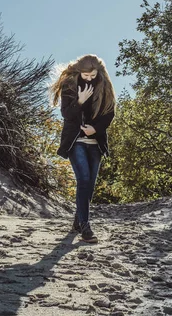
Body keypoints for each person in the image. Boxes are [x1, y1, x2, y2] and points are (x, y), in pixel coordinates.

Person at [49, 54, 116, 243]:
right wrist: (80, 101)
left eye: (92, 75)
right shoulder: (69, 85)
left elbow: (109, 113)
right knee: (83, 179)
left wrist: (95, 129)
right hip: (75, 141)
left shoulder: (104, 85)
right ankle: (86, 228)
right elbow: (66, 114)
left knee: (90, 186)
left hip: (96, 142)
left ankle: (78, 221)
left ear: (98, 72)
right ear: (80, 71)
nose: (89, 79)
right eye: (86, 75)